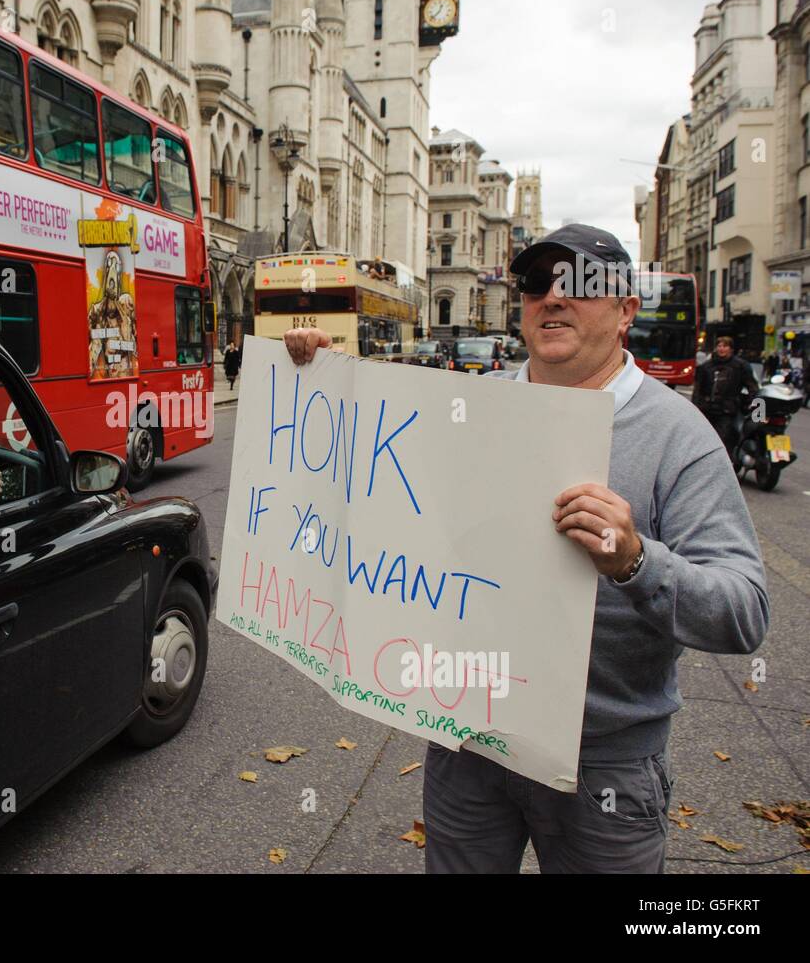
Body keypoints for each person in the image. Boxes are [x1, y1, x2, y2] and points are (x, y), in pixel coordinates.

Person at [283, 223, 768, 874]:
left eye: (582, 284)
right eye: (538, 283)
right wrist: (316, 378)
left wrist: (636, 561)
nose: (555, 298)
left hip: (603, 766)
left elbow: (745, 611)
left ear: (626, 310)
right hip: (469, 745)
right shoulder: (468, 408)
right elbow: (372, 487)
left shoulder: (680, 436)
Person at [692, 336, 759, 455]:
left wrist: (750, 403)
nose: (722, 349)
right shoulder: (706, 366)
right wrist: (695, 407)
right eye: (719, 346)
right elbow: (698, 390)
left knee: (724, 439)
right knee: (701, 440)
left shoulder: (740, 366)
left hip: (727, 411)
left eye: (725, 346)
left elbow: (752, 387)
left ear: (731, 349)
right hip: (706, 409)